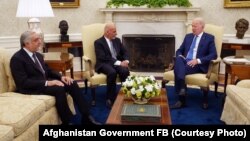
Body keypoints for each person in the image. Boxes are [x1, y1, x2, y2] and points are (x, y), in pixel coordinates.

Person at [10, 30, 101, 125]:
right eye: (36, 40)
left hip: (43, 83)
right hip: (31, 88)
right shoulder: (17, 59)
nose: (40, 42)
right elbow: (22, 83)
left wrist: (61, 77)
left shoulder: (38, 55)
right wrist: (48, 83)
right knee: (59, 88)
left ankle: (86, 117)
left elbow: (48, 71)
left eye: (39, 39)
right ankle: (67, 121)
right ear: (26, 43)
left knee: (72, 83)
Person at [170, 17, 217, 109]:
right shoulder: (188, 36)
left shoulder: (209, 38)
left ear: (202, 27)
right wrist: (180, 55)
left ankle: (181, 99)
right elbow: (179, 50)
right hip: (185, 61)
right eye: (192, 26)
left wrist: (198, 60)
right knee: (179, 59)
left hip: (197, 65)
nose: (193, 28)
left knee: (177, 68)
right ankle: (183, 89)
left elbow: (213, 55)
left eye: (195, 26)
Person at [94, 22, 130, 108]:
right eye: (114, 31)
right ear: (107, 32)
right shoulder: (98, 42)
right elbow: (103, 57)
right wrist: (119, 63)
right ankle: (110, 99)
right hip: (104, 63)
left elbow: (125, 51)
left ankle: (126, 94)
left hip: (117, 62)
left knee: (125, 70)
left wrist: (126, 60)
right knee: (112, 72)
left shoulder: (117, 40)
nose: (116, 33)